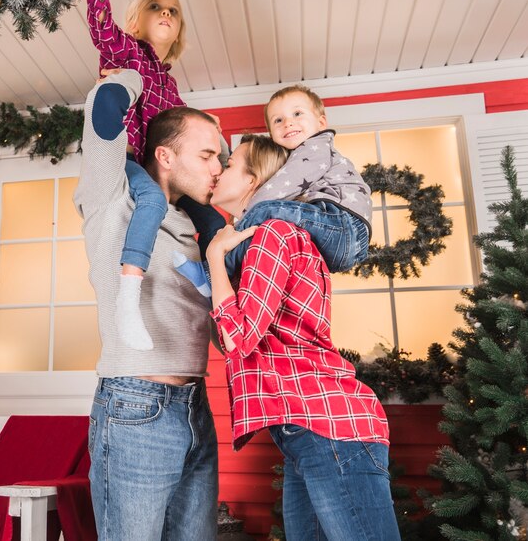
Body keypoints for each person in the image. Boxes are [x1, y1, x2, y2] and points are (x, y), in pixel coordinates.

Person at [206, 134, 401, 541]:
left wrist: (214, 260)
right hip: (308, 429)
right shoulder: (262, 239)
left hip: (328, 426)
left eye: (228, 165)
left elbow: (239, 338)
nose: (217, 171)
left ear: (253, 179)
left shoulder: (273, 234)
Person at [73, 69, 221, 541]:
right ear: (164, 155)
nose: (218, 166)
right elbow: (104, 106)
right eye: (206, 154)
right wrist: (140, 74)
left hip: (196, 404)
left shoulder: (191, 225)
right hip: (137, 406)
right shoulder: (111, 196)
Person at [88, 0, 226, 350]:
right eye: (156, 7)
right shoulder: (128, 52)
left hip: (165, 166)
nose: (166, 13)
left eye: (173, 11)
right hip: (131, 158)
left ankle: (222, 292)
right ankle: (128, 298)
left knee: (214, 219)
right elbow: (100, 26)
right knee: (149, 200)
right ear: (138, 18)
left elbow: (183, 131)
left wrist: (210, 129)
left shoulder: (171, 84)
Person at [175, 84, 371, 297]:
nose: (288, 123)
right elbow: (246, 167)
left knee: (264, 209)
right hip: (342, 235)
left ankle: (212, 274)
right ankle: (213, 274)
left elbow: (281, 185)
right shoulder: (301, 157)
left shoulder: (317, 147)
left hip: (344, 225)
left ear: (321, 122)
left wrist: (247, 216)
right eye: (278, 120)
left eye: (297, 113)